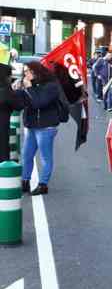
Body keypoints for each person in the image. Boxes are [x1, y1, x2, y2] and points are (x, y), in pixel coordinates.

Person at [18, 62, 64, 195]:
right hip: (32, 125)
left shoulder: (51, 86)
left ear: (37, 71)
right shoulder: (30, 85)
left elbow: (39, 102)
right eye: (25, 71)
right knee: (27, 155)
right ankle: (25, 182)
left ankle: (43, 184)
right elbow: (22, 103)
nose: (26, 74)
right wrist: (18, 90)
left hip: (46, 127)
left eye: (28, 71)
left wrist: (29, 88)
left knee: (45, 157)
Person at [0, 63, 24, 162]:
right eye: (10, 75)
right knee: (2, 153)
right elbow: (19, 105)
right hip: (2, 128)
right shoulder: (5, 90)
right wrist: (17, 91)